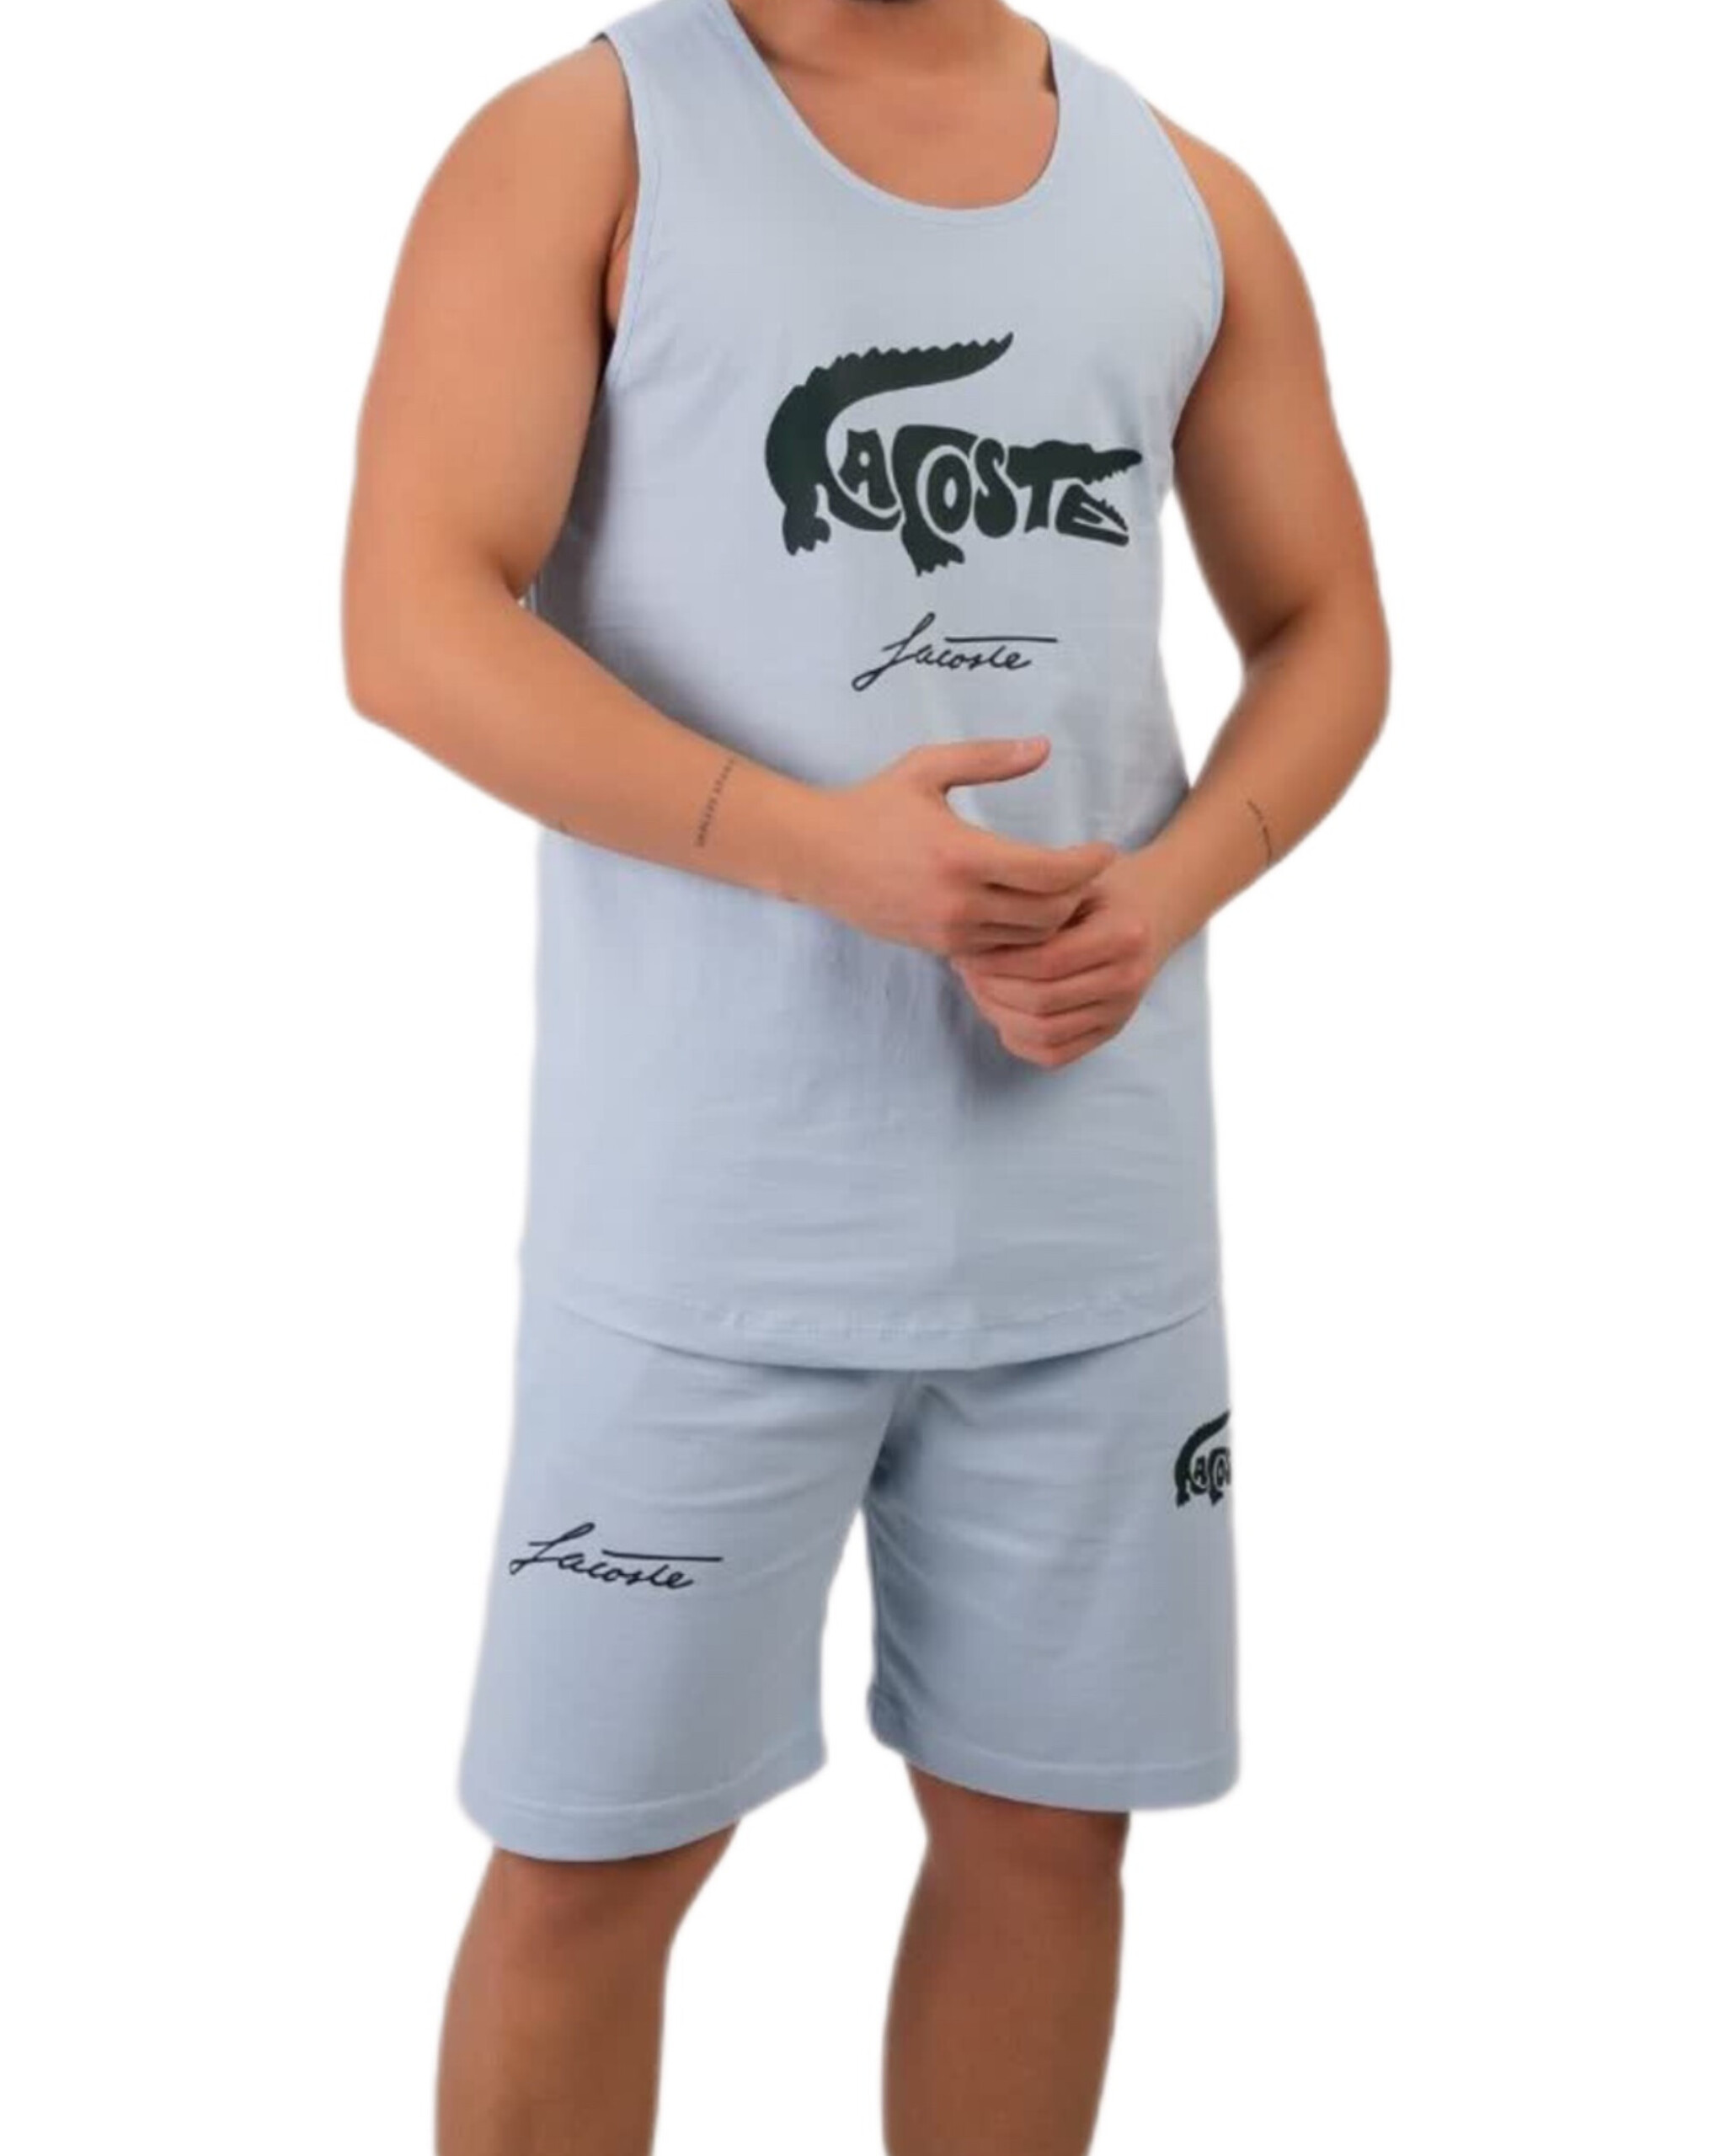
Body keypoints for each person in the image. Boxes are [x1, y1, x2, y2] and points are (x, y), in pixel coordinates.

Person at [340, 0, 1390, 2147]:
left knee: (1049, 1837)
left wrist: (1172, 885)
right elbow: (410, 619)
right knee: (595, 1861)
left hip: (1091, 1230)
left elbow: (1328, 625)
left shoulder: (1186, 198)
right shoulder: (587, 143)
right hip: (705, 1230)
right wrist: (816, 849)